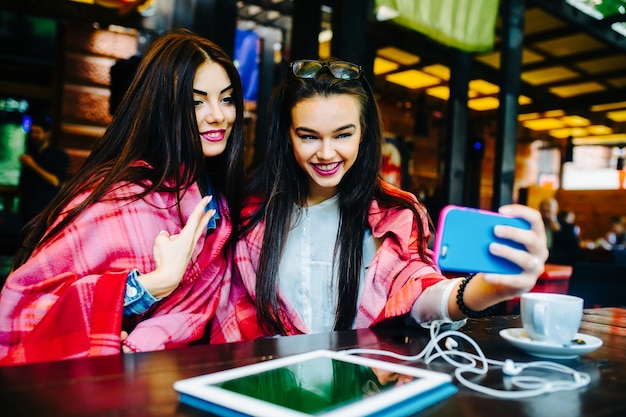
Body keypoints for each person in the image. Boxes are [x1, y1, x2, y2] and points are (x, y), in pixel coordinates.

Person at [209, 58, 548, 342]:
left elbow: (415, 290)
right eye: (309, 136)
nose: (327, 154)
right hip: (264, 386)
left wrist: (486, 289)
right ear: (287, 135)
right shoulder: (246, 211)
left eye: (343, 134)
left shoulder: (393, 214)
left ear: (364, 133)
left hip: (360, 386)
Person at [0, 29, 244, 365]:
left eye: (227, 99)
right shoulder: (118, 197)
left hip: (187, 379)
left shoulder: (222, 202)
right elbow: (25, 305)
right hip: (116, 383)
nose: (218, 115)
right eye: (196, 102)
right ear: (163, 109)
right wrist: (152, 285)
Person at [18, 116, 69, 224]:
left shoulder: (59, 155)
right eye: (32, 132)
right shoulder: (31, 153)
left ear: (47, 133)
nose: (33, 135)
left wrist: (33, 166)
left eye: (37, 132)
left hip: (45, 211)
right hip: (27, 210)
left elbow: (56, 182)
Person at [539, 198, 581, 265]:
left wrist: (557, 231)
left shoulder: (567, 227)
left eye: (548, 211)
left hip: (559, 262)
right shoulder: (535, 226)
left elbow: (574, 250)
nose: (546, 214)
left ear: (555, 210)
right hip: (539, 261)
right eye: (544, 211)